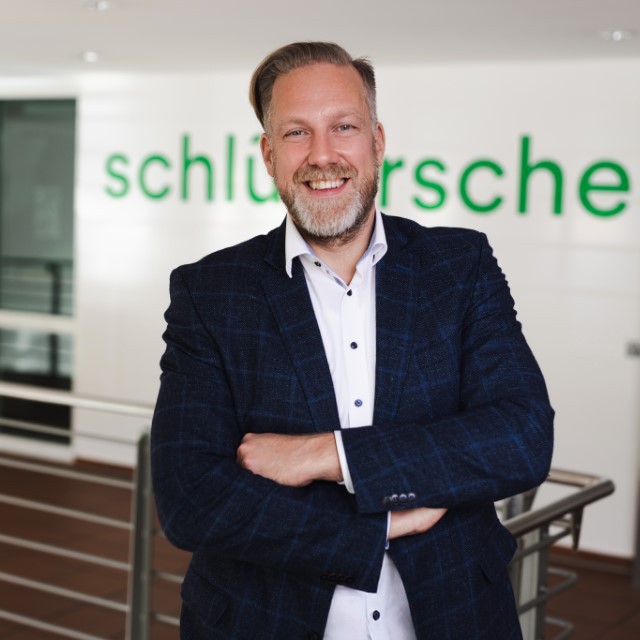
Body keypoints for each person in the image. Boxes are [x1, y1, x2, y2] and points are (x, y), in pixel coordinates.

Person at [151, 41, 554, 640]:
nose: (322, 154)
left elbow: (521, 438)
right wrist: (377, 527)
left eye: (344, 126)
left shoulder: (459, 266)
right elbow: (190, 499)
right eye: (296, 132)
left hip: (456, 616)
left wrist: (327, 455)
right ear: (268, 155)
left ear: (377, 141)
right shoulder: (211, 291)